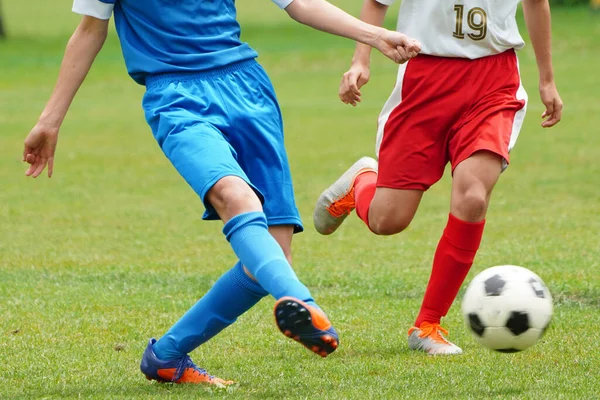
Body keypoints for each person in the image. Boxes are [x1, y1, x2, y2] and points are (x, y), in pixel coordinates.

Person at [22, 0, 421, 386]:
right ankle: (302, 301)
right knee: (236, 198)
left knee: (272, 255)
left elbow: (299, 3)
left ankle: (166, 356)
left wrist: (376, 35)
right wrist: (49, 121)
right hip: (176, 98)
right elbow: (90, 30)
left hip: (249, 91)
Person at [313, 0, 563, 355]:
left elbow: (537, 4)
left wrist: (547, 80)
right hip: (425, 78)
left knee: (474, 196)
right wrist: (360, 61)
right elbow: (376, 2)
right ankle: (362, 182)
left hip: (493, 81)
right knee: (388, 220)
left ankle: (428, 324)